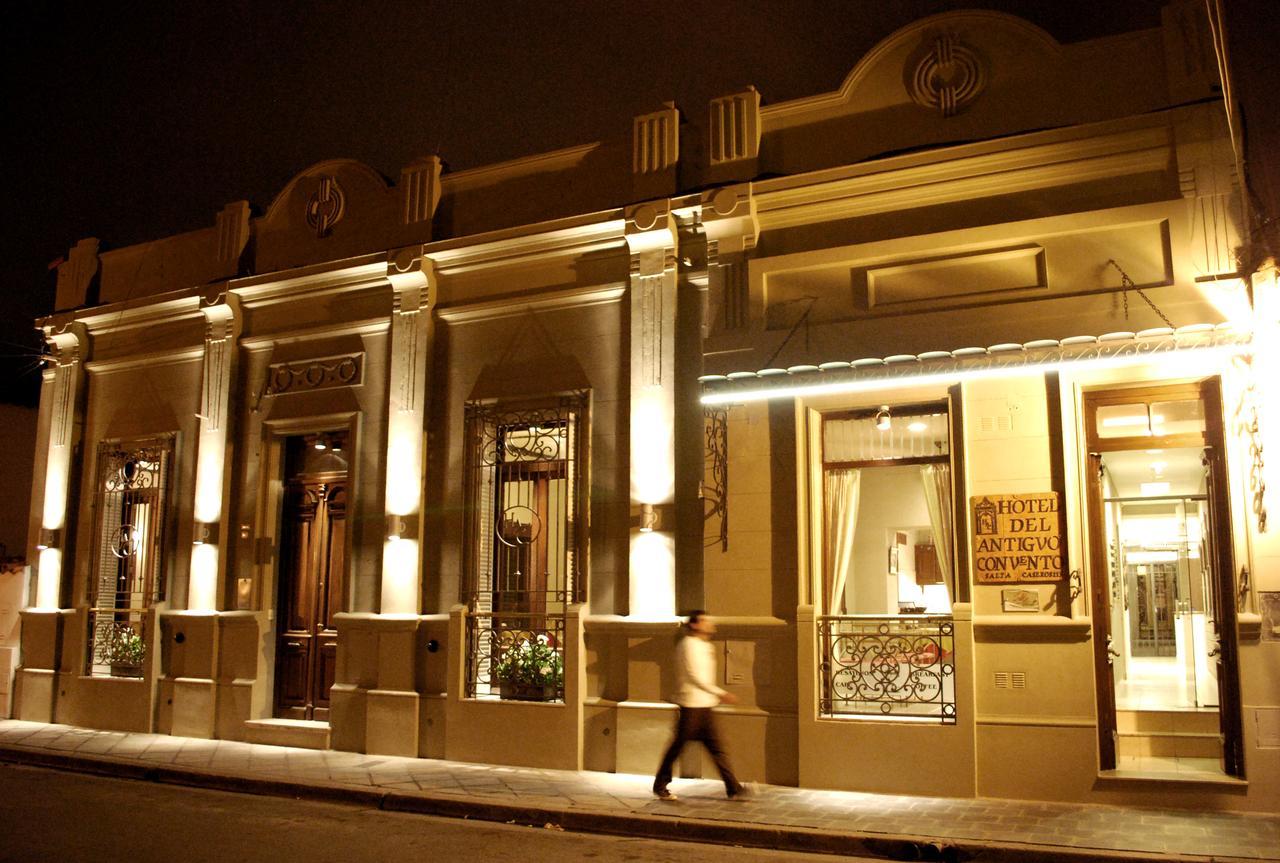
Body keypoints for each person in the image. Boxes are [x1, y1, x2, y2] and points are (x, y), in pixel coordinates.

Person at [652, 610, 749, 800]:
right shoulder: (688, 645)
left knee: (716, 748)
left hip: (705, 705)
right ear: (695, 625)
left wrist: (714, 696)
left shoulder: (704, 646)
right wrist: (721, 693)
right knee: (678, 746)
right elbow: (695, 676)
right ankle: (660, 784)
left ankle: (733, 787)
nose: (710, 624)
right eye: (705, 621)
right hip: (692, 705)